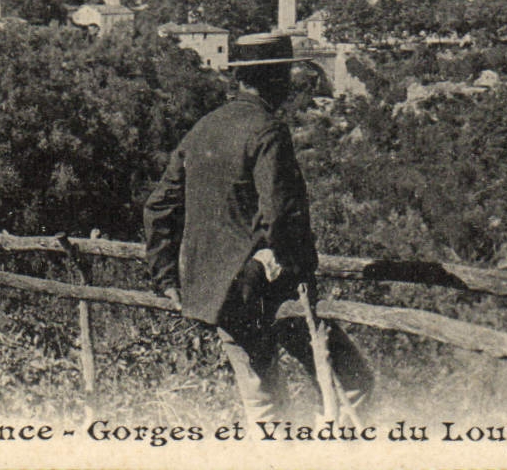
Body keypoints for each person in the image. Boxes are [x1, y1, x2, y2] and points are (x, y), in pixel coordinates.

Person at [143, 32, 370, 422]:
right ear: (274, 79)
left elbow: (159, 206)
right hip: (274, 292)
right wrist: (275, 258)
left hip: (219, 296)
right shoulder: (267, 130)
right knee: (350, 384)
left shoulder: (203, 129)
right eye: (283, 75)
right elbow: (279, 212)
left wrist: (166, 278)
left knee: (263, 404)